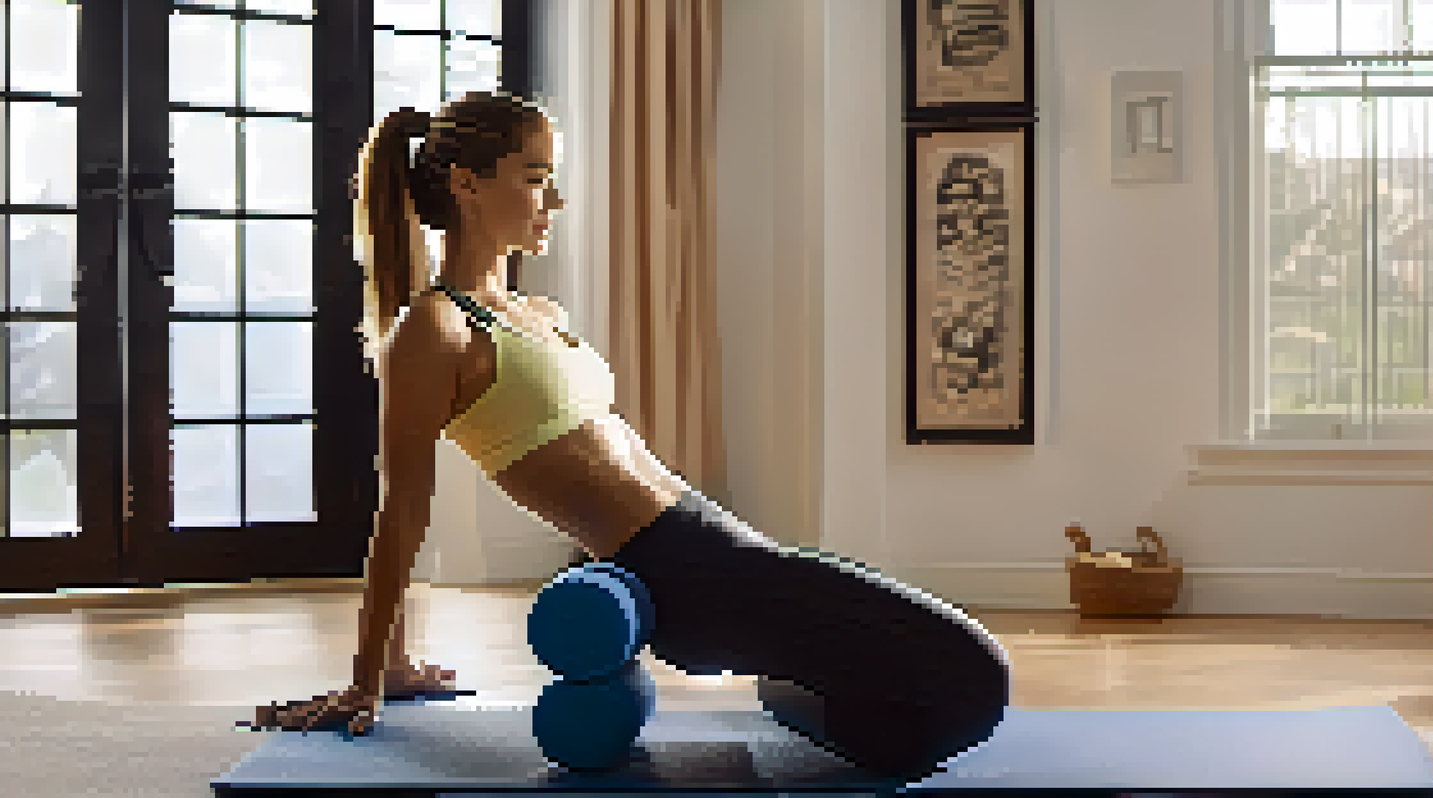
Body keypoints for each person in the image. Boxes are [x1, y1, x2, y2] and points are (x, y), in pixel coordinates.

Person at [251, 92, 1012, 781]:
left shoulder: (537, 314)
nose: (555, 197)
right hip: (688, 577)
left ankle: (791, 696)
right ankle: (790, 686)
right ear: (466, 183)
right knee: (977, 679)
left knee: (921, 716)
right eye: (534, 174)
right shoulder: (435, 330)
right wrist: (376, 669)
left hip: (723, 547)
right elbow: (403, 508)